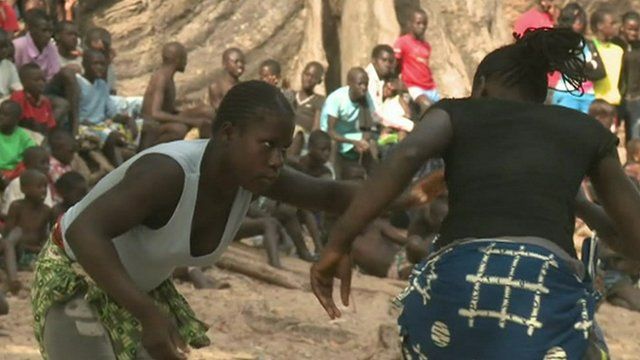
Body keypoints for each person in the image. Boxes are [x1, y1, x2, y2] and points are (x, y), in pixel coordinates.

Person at [31, 80, 427, 359]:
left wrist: (406, 195)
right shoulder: (168, 174)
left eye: (284, 148)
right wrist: (148, 314)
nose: (277, 159)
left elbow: (329, 194)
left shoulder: (251, 175)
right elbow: (84, 231)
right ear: (228, 134)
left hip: (134, 293)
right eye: (267, 145)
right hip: (77, 281)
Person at [311, 28, 640, 359]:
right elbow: (634, 233)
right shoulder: (584, 130)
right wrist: (580, 204)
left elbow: (407, 156)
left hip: (458, 283)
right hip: (544, 292)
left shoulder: (458, 112)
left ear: (481, 85)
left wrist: (339, 241)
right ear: (540, 95)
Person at [14, 9, 78, 131]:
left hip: (42, 88)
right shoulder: (18, 46)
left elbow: (53, 74)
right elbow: (13, 77)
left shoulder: (50, 46)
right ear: (30, 29)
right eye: (44, 30)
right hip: (22, 92)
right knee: (61, 104)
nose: (48, 35)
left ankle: (74, 129)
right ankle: (43, 134)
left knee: (68, 76)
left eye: (50, 31)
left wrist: (42, 94)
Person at [141, 42, 212, 147]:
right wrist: (191, 121)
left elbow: (167, 109)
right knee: (179, 129)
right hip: (151, 126)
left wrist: (190, 116)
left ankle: (205, 150)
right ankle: (151, 152)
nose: (186, 62)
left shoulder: (167, 76)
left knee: (206, 112)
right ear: (177, 60)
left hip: (160, 122)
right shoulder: (161, 78)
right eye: (184, 58)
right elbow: (155, 113)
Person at [76, 49, 137, 167]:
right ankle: (119, 172)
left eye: (103, 64)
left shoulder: (102, 85)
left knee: (148, 126)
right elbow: (75, 114)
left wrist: (129, 119)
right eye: (95, 64)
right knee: (112, 136)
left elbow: (112, 113)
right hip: (84, 127)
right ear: (84, 64)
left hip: (102, 124)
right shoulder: (78, 83)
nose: (100, 67)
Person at [1, 169, 52, 293]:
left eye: (45, 187)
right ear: (24, 189)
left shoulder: (46, 211)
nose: (43, 190)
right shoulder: (17, 206)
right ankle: (13, 281)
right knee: (17, 232)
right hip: (14, 249)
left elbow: (44, 237)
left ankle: (13, 279)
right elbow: (7, 235)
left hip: (31, 253)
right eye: (39, 187)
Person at [320, 67, 378, 177]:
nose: (364, 87)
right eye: (360, 84)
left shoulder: (366, 97)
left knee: (371, 142)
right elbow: (330, 131)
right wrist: (353, 142)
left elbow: (370, 125)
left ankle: (372, 179)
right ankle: (333, 177)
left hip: (349, 135)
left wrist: (363, 141)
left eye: (366, 84)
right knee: (333, 143)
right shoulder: (337, 99)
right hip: (330, 136)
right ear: (349, 83)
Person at [550, 3, 595, 114]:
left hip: (588, 94)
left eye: (581, 19)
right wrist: (587, 65)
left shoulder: (587, 43)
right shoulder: (561, 42)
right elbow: (569, 64)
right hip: (567, 93)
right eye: (575, 20)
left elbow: (597, 69)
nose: (580, 23)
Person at [394, 8, 440, 112]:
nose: (422, 27)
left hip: (430, 87)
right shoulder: (403, 42)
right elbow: (395, 65)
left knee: (441, 111)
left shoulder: (426, 46)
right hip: (414, 86)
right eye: (418, 23)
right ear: (410, 23)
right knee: (427, 105)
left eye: (424, 24)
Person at [1, 145, 54, 217]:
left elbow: (48, 208)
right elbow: (7, 212)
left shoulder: (45, 184)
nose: (46, 166)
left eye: (48, 163)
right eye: (42, 163)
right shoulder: (17, 183)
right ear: (27, 165)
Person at [289, 61, 325, 158]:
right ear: (302, 74)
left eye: (313, 77)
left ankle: (291, 163)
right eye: (307, 74)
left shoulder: (319, 100)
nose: (308, 79)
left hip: (305, 138)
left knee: (298, 134)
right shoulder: (291, 95)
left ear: (319, 81)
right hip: (286, 133)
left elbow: (316, 128)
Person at [591, 8, 624, 108]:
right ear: (600, 26)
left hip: (613, 103)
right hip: (594, 103)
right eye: (612, 23)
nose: (617, 27)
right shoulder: (590, 48)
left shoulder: (618, 50)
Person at [615, 11, 640, 141]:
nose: (633, 33)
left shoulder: (638, 47)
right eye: (630, 29)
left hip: (636, 99)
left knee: (635, 139)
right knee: (610, 135)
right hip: (615, 99)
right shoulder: (614, 44)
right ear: (622, 28)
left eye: (636, 29)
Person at [10, 63, 56, 134]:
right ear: (23, 82)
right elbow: (13, 122)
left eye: (43, 80)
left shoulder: (45, 101)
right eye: (36, 80)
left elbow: (50, 126)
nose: (41, 83)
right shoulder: (19, 96)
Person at [0, 100, 35, 186]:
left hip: (16, 172)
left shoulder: (22, 134)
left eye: (5, 115)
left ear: (16, 119)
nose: (0, 116)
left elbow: (33, 152)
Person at [365, 44, 396, 111]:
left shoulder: (385, 77)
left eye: (390, 61)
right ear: (374, 60)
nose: (387, 64)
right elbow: (375, 113)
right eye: (384, 60)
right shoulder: (368, 79)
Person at [0, 29, 23, 102]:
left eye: (5, 47)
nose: (4, 50)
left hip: (6, 104)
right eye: (0, 47)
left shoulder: (9, 65)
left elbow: (18, 89)